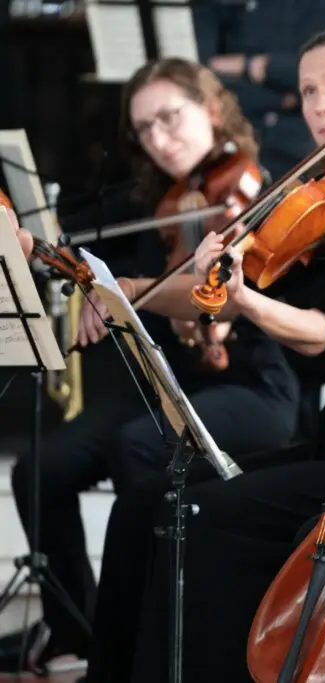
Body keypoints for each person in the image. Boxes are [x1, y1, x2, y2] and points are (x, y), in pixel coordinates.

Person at [77, 24, 325, 683]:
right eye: (308, 90)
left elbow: (321, 329)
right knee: (142, 500)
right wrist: (130, 292)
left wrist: (242, 295)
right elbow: (225, 297)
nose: (320, 105)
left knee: (197, 513)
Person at [1, 57, 302, 676]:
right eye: (144, 129)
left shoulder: (256, 195)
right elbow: (130, 287)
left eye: (171, 117)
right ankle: (76, 631)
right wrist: (90, 282)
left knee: (138, 447)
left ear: (212, 110)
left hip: (254, 386)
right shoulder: (162, 204)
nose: (159, 138)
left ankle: (138, 640)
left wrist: (132, 290)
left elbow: (202, 291)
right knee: (40, 469)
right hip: (175, 383)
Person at [191, 0, 325, 179]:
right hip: (237, 125)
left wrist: (251, 65)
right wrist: (282, 94)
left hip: (311, 135)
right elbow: (202, 71)